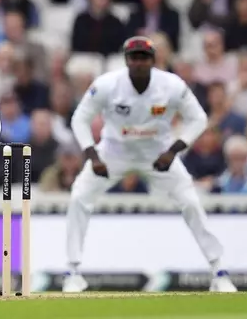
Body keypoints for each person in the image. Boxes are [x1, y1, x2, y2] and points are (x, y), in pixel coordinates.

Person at [63, 36, 237, 293]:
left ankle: (219, 271)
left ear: (154, 60)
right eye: (134, 57)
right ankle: (72, 272)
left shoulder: (171, 85)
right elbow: (80, 119)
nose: (139, 62)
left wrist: (174, 150)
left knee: (190, 201)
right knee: (78, 197)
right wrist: (93, 155)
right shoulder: (107, 85)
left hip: (158, 153)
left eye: (144, 57)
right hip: (114, 151)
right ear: (126, 60)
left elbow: (198, 119)